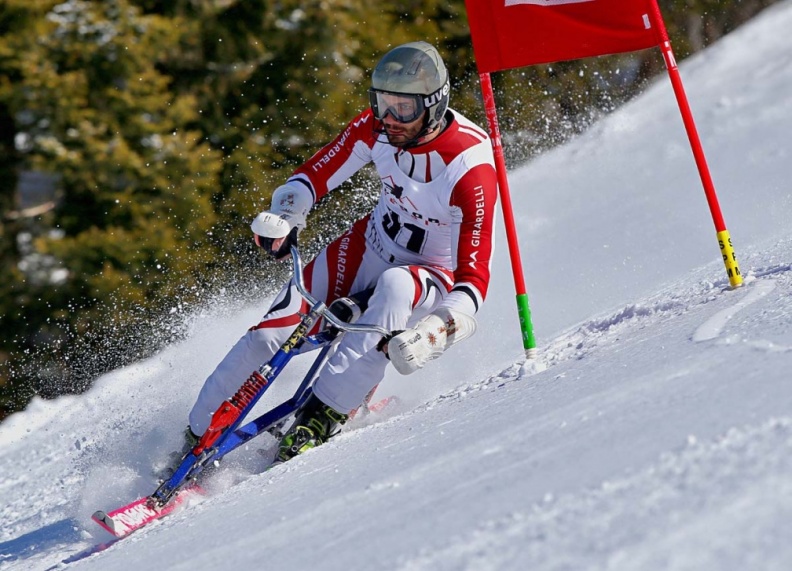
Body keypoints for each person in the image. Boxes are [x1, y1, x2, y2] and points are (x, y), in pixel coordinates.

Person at [185, 41, 498, 464]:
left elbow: (473, 281)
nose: (390, 120)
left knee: (393, 286)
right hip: (370, 244)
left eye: (404, 109)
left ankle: (324, 411)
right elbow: (315, 175)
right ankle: (196, 433)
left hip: (428, 275)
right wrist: (285, 214)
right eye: (383, 104)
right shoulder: (378, 127)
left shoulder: (469, 168)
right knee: (268, 335)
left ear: (435, 105)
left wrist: (433, 334)